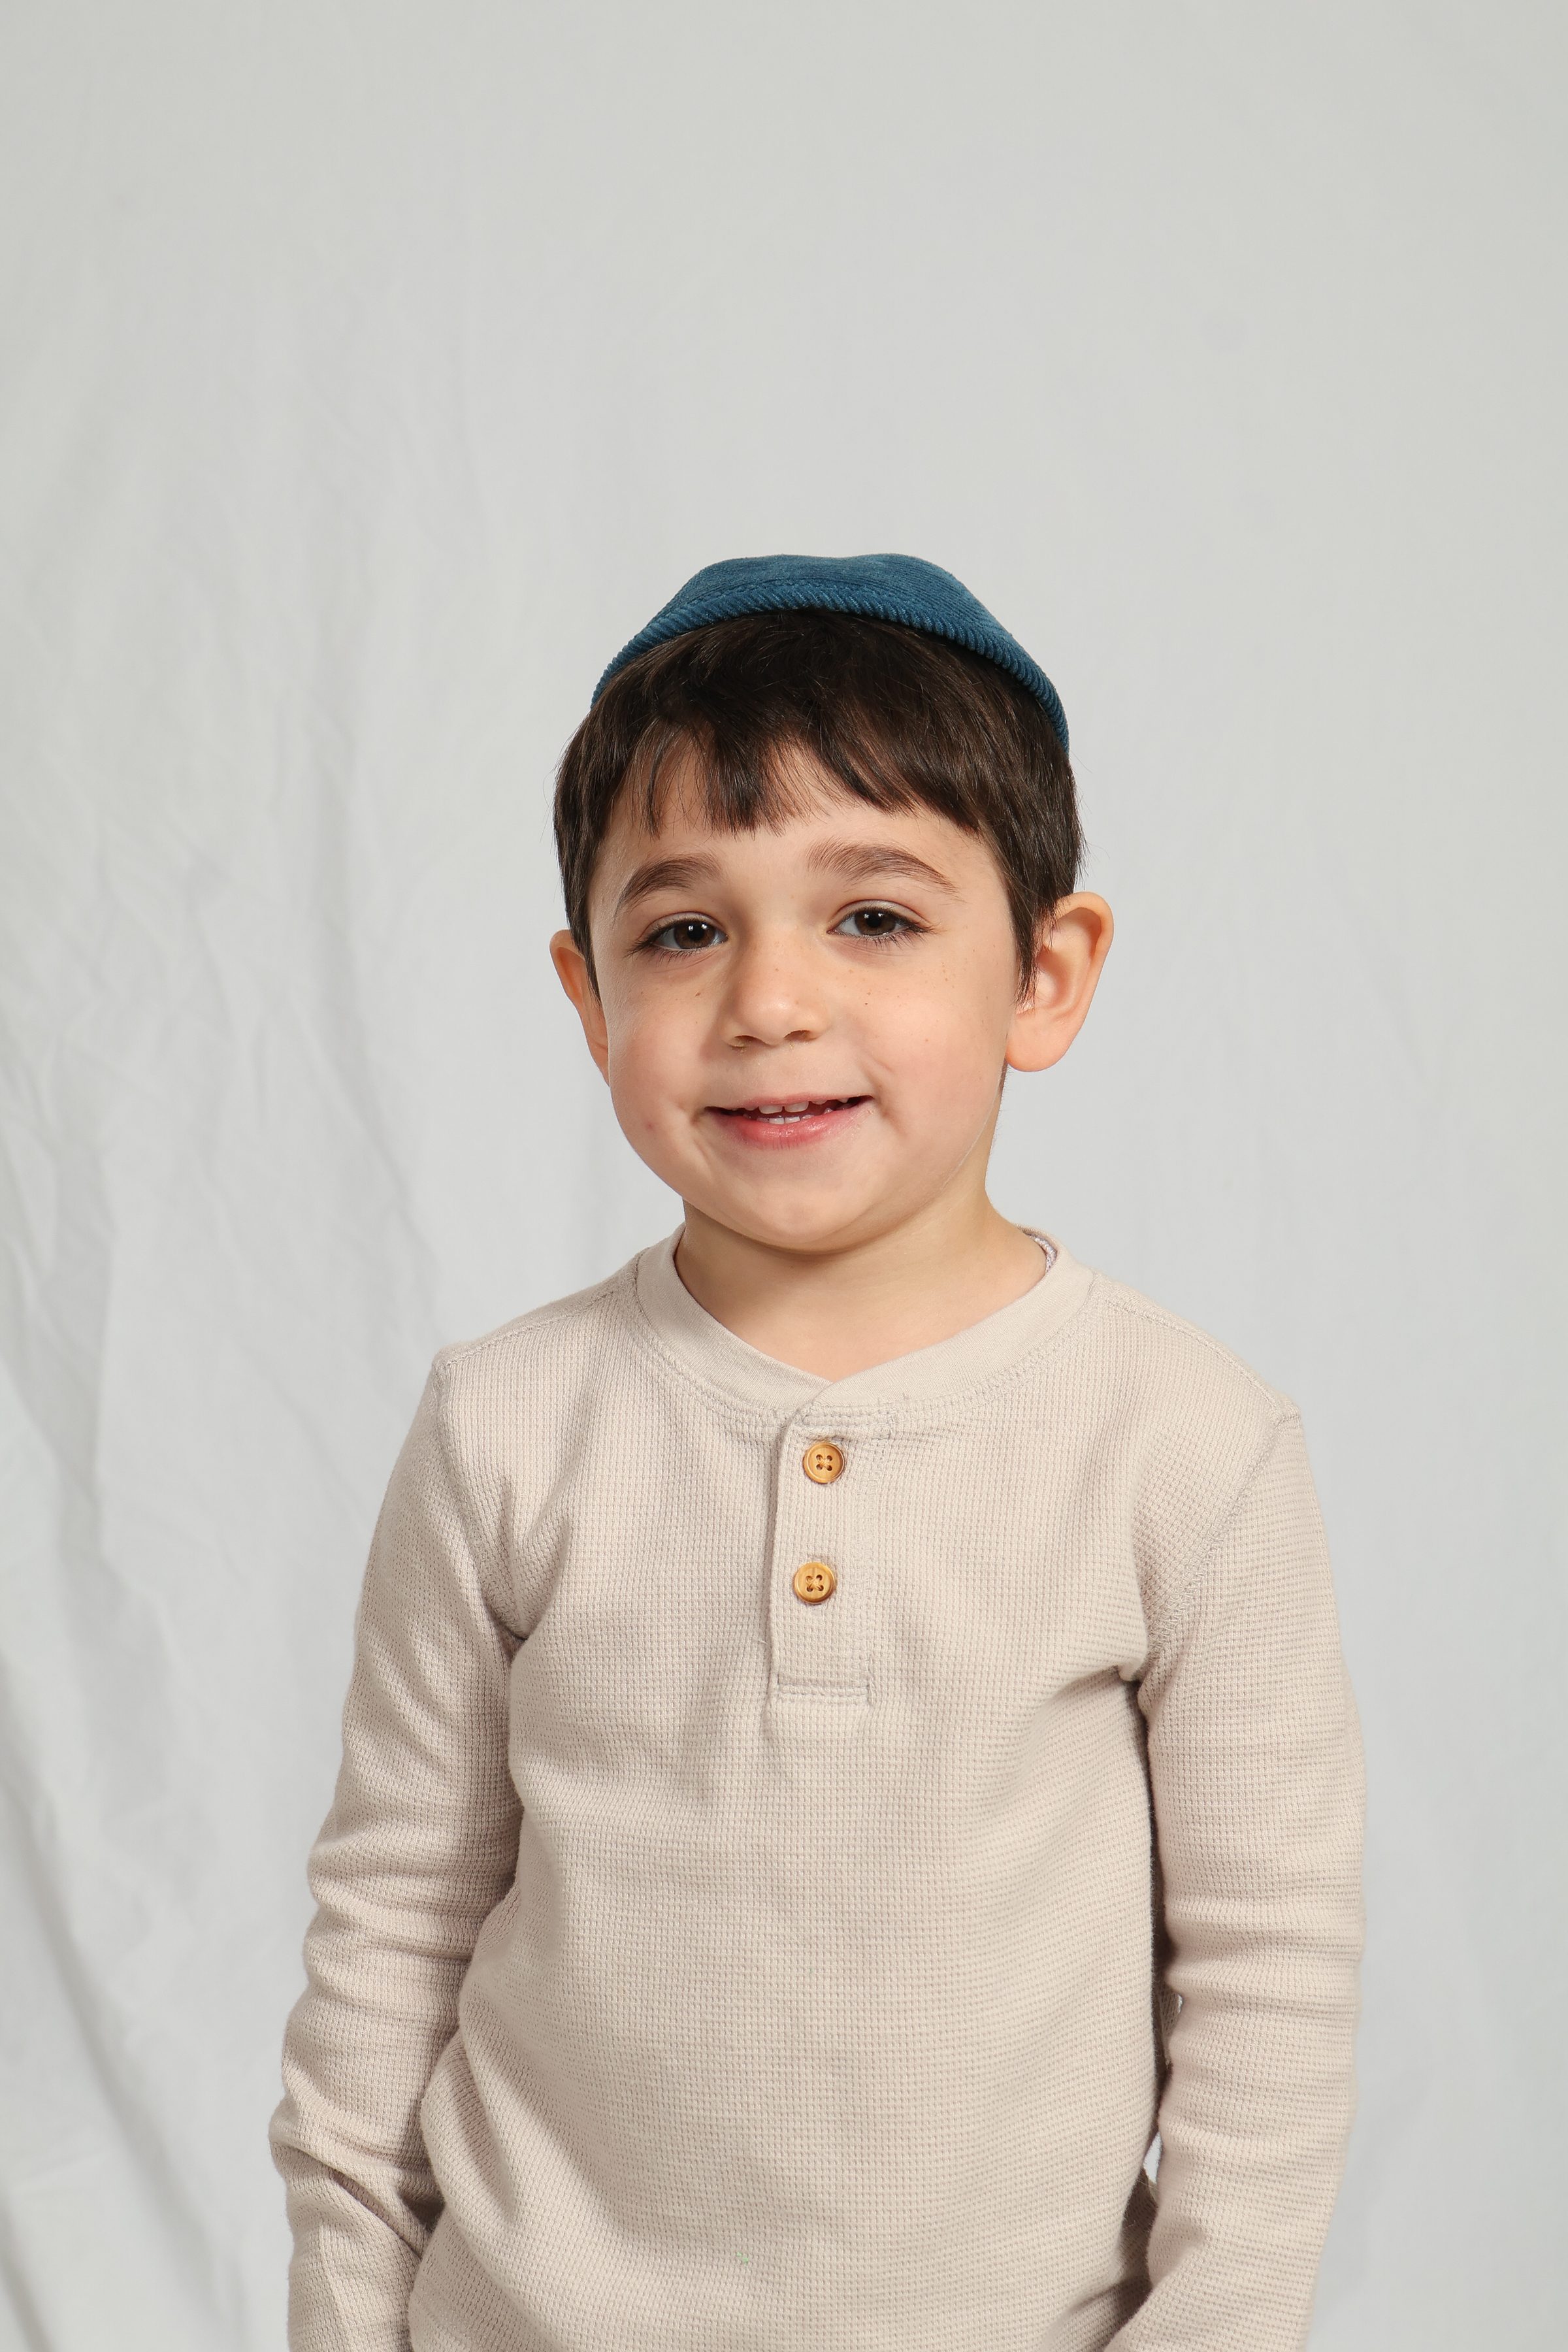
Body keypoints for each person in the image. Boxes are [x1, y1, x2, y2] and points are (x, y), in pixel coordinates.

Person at [270, 553, 1364, 2351]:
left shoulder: (1187, 1441)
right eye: (683, 931)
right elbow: (392, 1927)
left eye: (872, 915)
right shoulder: (505, 1423)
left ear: (1045, 975)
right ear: (587, 999)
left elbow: (1269, 1982)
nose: (769, 999)